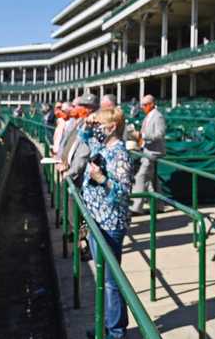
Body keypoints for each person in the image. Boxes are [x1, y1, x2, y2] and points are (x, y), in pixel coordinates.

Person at [78, 107, 133, 339]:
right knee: (104, 279)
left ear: (111, 128)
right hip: (96, 220)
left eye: (100, 125)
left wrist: (101, 179)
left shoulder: (120, 153)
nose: (96, 128)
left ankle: (116, 332)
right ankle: (106, 326)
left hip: (110, 223)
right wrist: (88, 122)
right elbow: (84, 136)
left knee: (111, 282)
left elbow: (123, 192)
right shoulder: (103, 146)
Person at [129, 94, 166, 214]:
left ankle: (136, 207)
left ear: (151, 104)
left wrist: (142, 136)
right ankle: (159, 206)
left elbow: (160, 134)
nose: (142, 107)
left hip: (154, 152)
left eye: (144, 105)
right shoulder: (148, 116)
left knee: (141, 176)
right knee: (153, 182)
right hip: (147, 150)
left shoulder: (158, 116)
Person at [59, 93, 99, 187]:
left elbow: (84, 153)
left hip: (81, 175)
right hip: (71, 169)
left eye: (83, 106)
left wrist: (71, 172)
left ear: (90, 109)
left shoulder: (93, 125)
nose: (77, 108)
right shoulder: (82, 121)